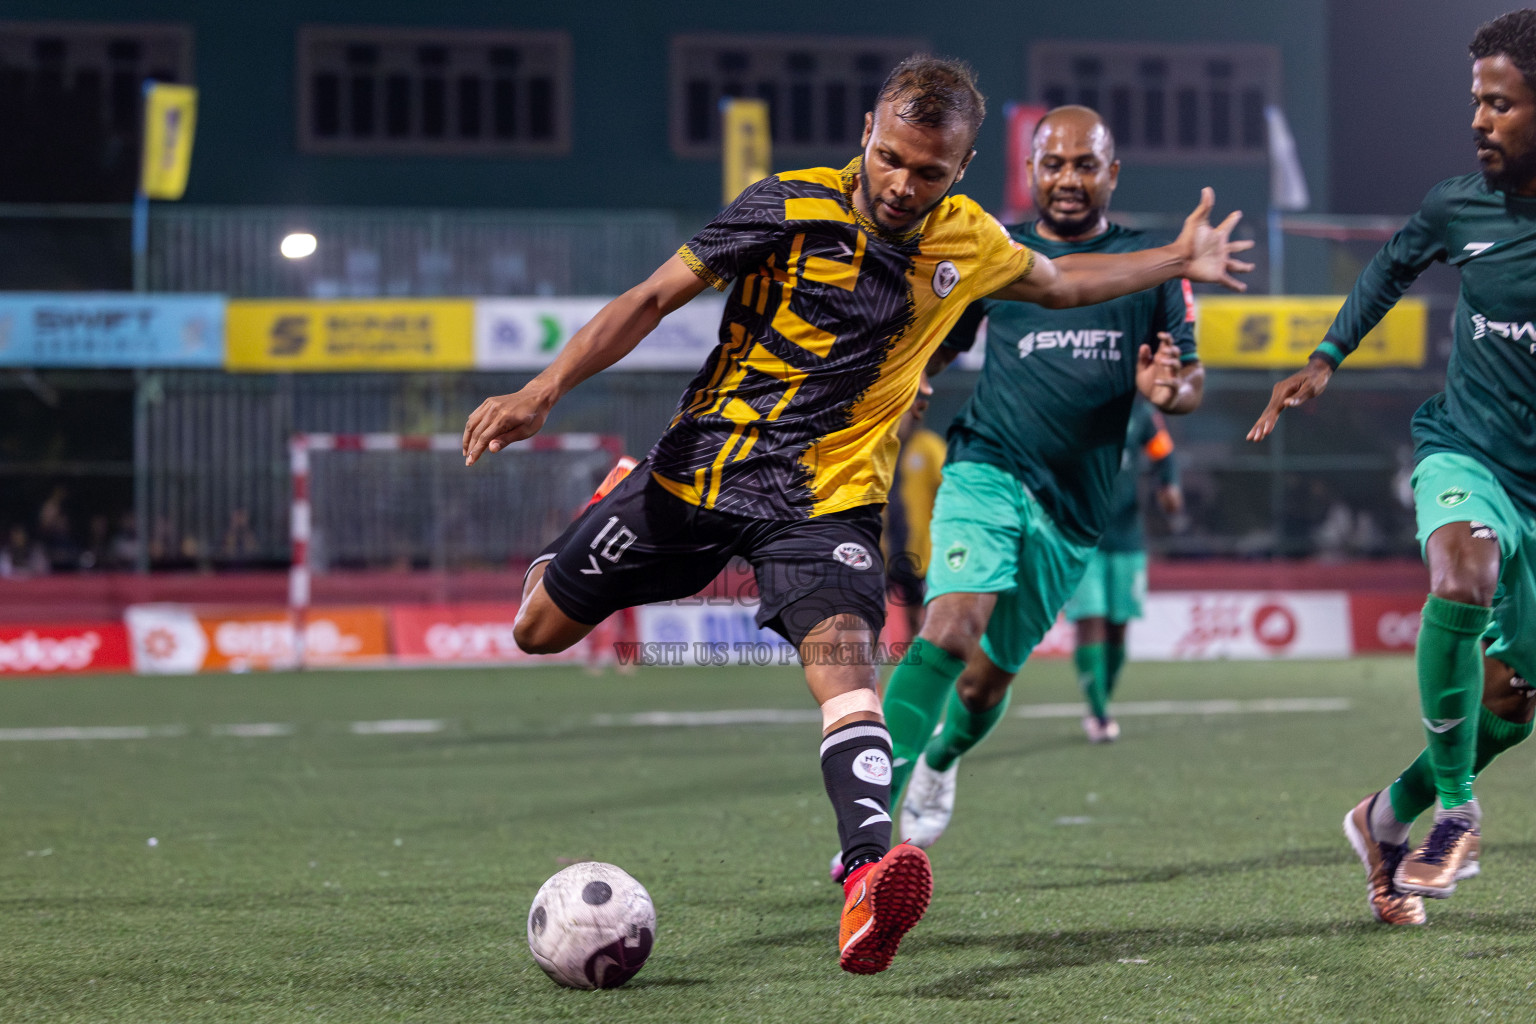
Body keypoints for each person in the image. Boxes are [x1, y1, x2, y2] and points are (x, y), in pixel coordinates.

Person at [463, 59, 1250, 974]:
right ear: (867, 132)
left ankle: (870, 875)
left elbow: (1063, 281)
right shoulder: (784, 203)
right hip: (698, 477)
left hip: (829, 500)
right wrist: (543, 390)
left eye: (930, 172)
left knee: (847, 665)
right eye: (891, 159)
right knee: (538, 630)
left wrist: (1176, 258)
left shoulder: (971, 239)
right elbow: (649, 299)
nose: (904, 187)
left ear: (960, 169)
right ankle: (602, 513)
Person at [1248, 10, 1536, 927]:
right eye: (1475, 102)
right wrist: (1327, 355)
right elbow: (1391, 266)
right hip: (1466, 449)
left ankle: (1384, 818)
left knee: (1512, 705)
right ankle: (1456, 811)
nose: (1480, 120)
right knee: (1466, 566)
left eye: (1501, 103)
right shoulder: (1461, 204)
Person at [880, 105, 1207, 853]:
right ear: (1030, 171)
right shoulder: (997, 253)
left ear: (1111, 173)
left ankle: (939, 760)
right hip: (986, 465)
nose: (1066, 178)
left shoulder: (1150, 267)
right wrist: (915, 381)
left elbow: (1189, 383)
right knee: (951, 627)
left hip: (1074, 512)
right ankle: (867, 833)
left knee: (985, 683)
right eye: (1052, 163)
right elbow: (939, 343)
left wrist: (1169, 393)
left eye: (1084, 163)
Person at [1065, 397, 1181, 743]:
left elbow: (1165, 454)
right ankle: (1100, 714)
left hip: (1128, 537)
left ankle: (1101, 701)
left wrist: (1168, 486)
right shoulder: (1076, 406)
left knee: (1117, 628)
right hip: (1082, 537)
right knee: (1091, 620)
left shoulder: (1141, 413)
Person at [884, 384, 948, 640]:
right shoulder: (881, 449)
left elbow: (950, 488)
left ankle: (922, 670)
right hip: (884, 547)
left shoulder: (929, 447)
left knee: (921, 618)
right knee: (871, 617)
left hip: (920, 551)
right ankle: (869, 679)